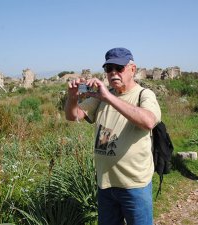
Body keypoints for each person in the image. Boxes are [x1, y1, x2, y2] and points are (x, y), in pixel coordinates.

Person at [65, 47, 161, 225]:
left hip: (134, 185)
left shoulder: (143, 94)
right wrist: (72, 98)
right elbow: (73, 116)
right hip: (105, 184)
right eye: (109, 69)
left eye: (119, 67)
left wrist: (108, 97)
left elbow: (148, 121)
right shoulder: (101, 96)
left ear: (132, 69)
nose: (114, 73)